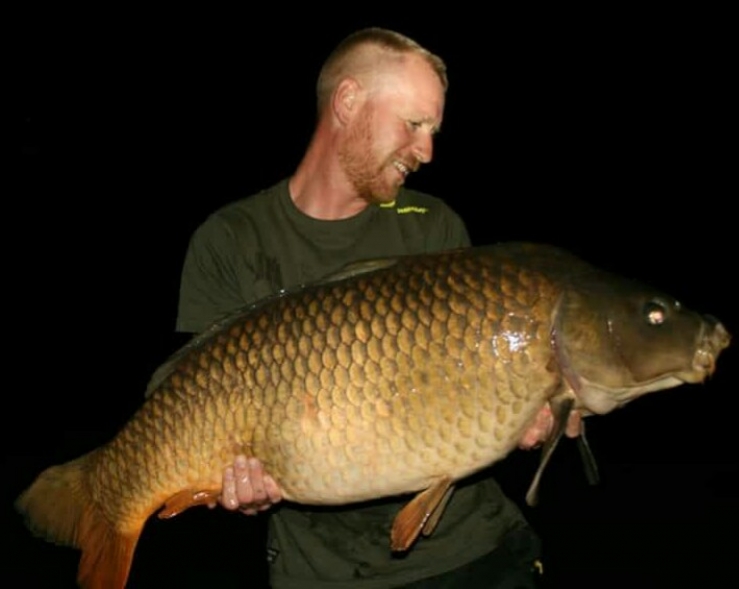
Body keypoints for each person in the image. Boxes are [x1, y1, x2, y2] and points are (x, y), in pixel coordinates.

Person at [175, 27, 544, 589]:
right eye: (414, 125)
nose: (427, 151)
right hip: (322, 573)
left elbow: (475, 385)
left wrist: (525, 406)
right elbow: (197, 401)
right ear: (348, 103)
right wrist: (236, 486)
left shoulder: (435, 227)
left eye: (433, 131)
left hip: (471, 554)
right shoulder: (230, 240)